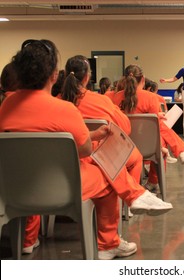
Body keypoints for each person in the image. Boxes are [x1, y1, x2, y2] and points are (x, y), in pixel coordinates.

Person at [0, 39, 136, 260]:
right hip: (62, 191)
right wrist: (93, 139)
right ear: (54, 75)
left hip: (14, 190)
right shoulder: (65, 109)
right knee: (108, 175)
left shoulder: (6, 106)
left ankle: (26, 240)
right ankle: (108, 243)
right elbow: (82, 150)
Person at [60, 54, 173, 217]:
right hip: (90, 161)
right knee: (131, 158)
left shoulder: (57, 102)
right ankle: (128, 205)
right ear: (87, 77)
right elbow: (125, 127)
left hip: (57, 166)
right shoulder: (101, 101)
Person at [108, 64, 184, 191]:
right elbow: (156, 128)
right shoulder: (151, 97)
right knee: (160, 132)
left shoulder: (113, 97)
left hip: (121, 143)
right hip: (146, 146)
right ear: (143, 79)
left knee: (159, 129)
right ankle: (154, 179)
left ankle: (180, 151)